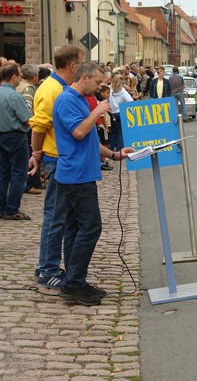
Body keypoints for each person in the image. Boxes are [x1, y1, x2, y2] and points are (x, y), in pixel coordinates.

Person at [53, 61, 134, 305]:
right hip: (75, 175)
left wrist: (114, 154)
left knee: (76, 229)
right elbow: (78, 131)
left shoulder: (79, 100)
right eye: (98, 82)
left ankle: (75, 280)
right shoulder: (68, 100)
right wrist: (97, 112)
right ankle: (73, 284)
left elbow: (87, 138)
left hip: (82, 172)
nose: (100, 88)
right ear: (84, 77)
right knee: (91, 227)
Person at [30, 44, 83, 288]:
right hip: (54, 158)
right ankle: (47, 269)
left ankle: (46, 265)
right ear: (72, 65)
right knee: (55, 218)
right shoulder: (53, 89)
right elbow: (39, 125)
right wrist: (36, 153)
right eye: (80, 62)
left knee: (59, 217)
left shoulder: (57, 87)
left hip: (55, 157)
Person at [0, 63, 32, 220]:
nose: (21, 79)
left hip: (1, 135)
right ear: (13, 76)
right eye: (19, 75)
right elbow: (27, 119)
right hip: (15, 136)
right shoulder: (14, 96)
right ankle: (12, 208)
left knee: (2, 173)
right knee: (19, 173)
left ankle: (1, 207)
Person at [17, 64, 42, 194]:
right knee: (31, 155)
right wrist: (32, 123)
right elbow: (27, 108)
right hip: (28, 126)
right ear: (34, 76)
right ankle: (30, 183)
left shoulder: (20, 85)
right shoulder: (27, 89)